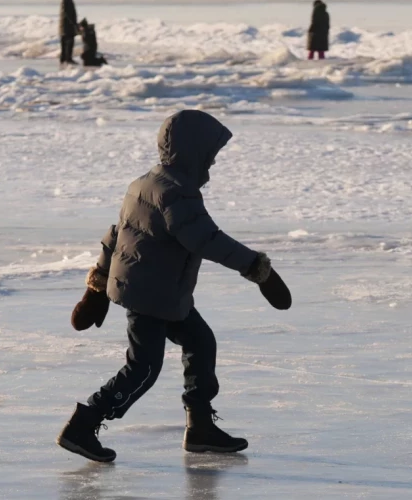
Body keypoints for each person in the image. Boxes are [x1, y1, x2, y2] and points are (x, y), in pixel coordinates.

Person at [58, 110, 293, 463]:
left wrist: (97, 286)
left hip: (165, 292)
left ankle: (199, 427)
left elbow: (116, 235)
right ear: (193, 152)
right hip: (150, 295)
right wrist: (257, 269)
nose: (213, 161)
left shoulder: (144, 183)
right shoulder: (178, 196)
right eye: (210, 154)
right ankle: (84, 422)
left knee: (200, 342)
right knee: (143, 369)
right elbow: (207, 240)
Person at [59, 0, 78, 65]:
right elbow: (68, 14)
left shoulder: (66, 1)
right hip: (67, 26)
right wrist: (74, 24)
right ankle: (68, 59)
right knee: (69, 43)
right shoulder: (67, 1)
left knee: (65, 42)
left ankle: (64, 58)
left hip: (65, 26)